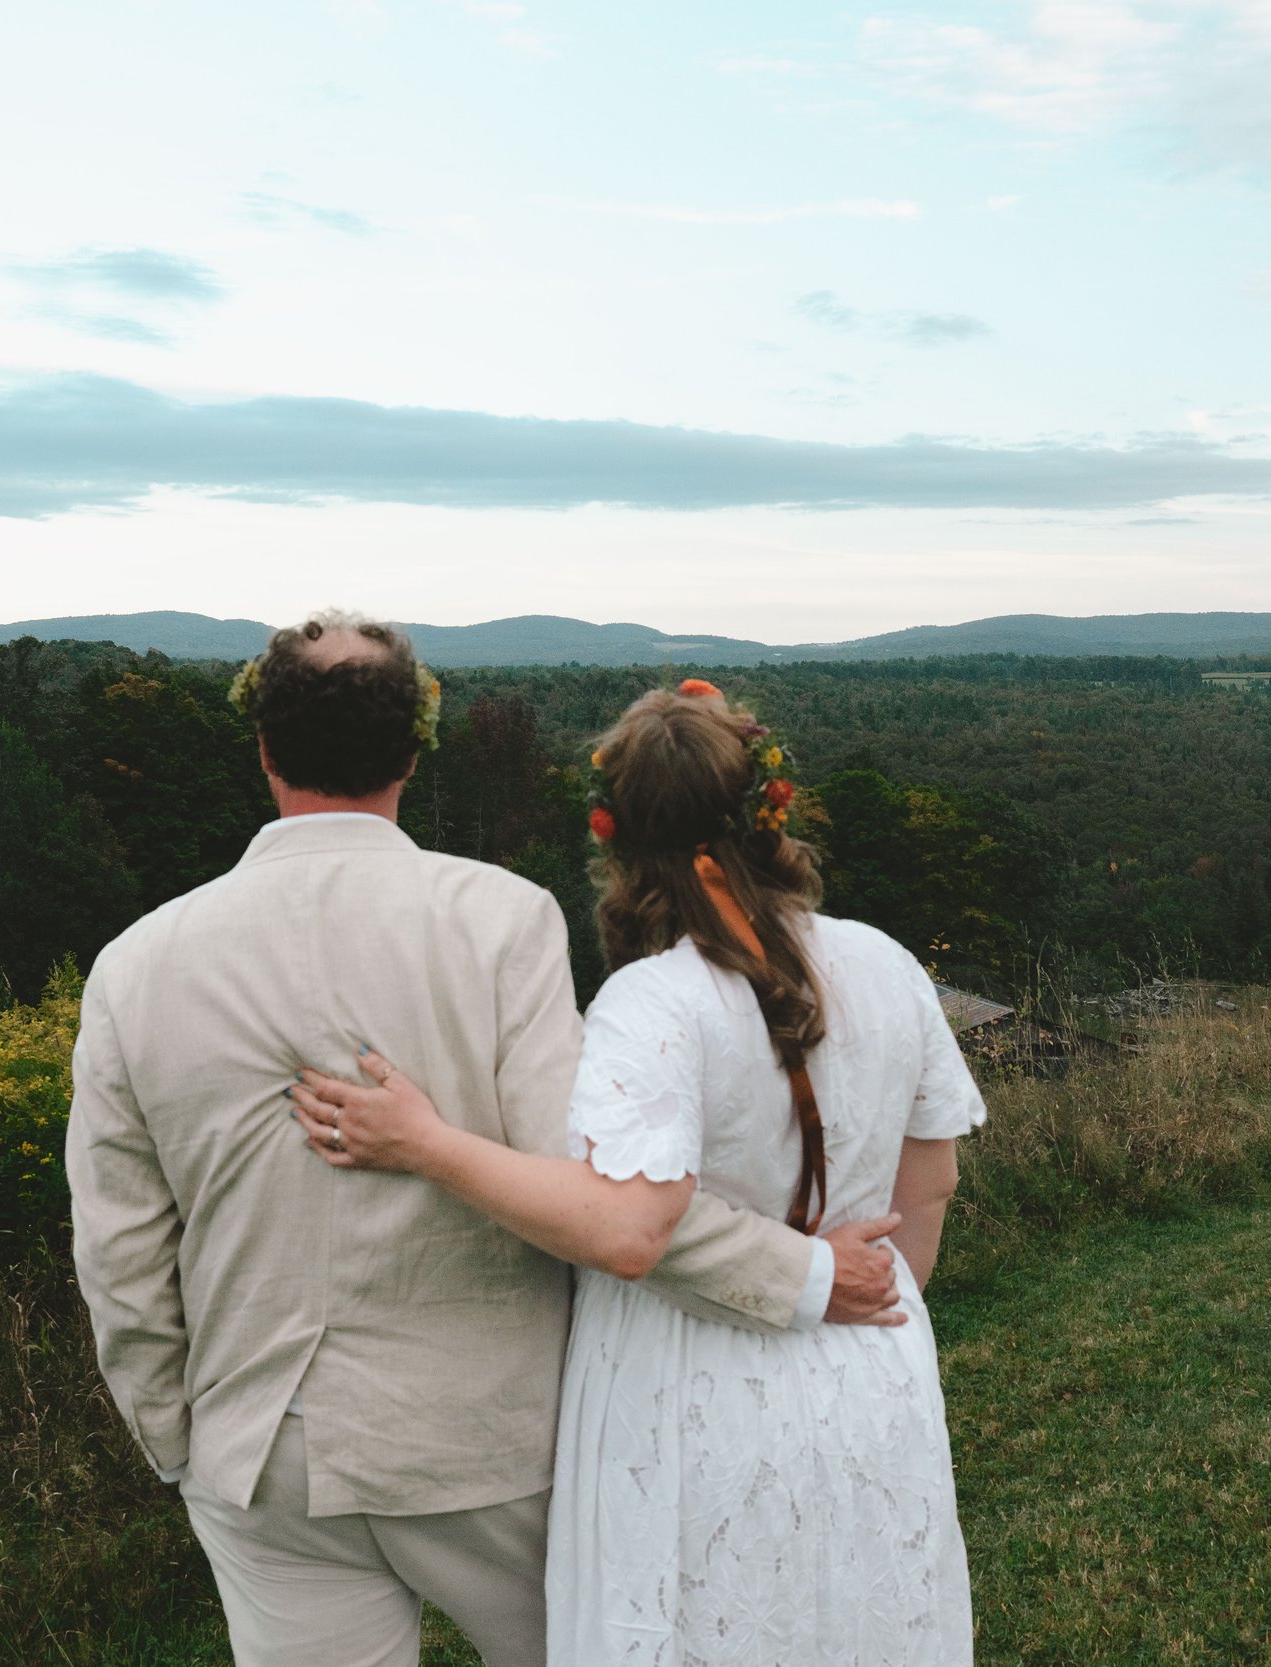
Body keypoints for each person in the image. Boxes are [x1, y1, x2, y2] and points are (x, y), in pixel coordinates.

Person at [66, 617, 908, 1667]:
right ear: (413, 752)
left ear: (265, 749)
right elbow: (598, 1192)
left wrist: (179, 1439)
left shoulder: (134, 966)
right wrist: (800, 1272)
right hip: (491, 1443)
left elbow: (118, 1250)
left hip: (260, 1452)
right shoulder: (501, 919)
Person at [291, 677, 984, 1666]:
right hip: (875, 1368)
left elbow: (628, 1226)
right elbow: (932, 1181)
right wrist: (866, 1305)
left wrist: (424, 1142)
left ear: (619, 839)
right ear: (768, 811)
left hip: (688, 1387)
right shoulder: (886, 963)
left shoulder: (651, 1002)